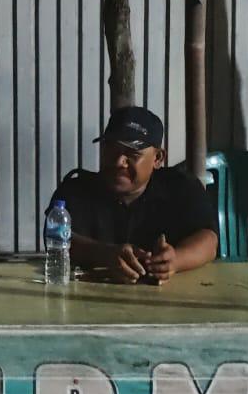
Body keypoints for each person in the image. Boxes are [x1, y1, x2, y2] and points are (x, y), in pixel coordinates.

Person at [48, 106, 218, 284]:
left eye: (132, 154)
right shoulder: (76, 190)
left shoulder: (181, 187)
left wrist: (175, 260)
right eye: (111, 150)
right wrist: (104, 254)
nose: (119, 162)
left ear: (158, 158)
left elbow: (208, 241)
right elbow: (55, 239)